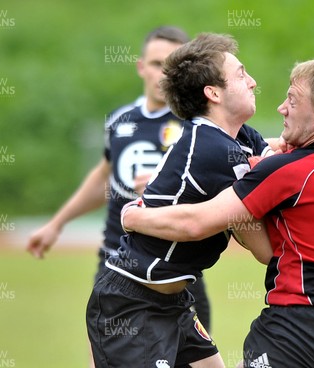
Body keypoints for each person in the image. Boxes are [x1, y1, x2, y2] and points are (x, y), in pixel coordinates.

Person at [121, 58, 314, 368]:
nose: (281, 108)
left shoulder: (292, 172)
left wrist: (133, 216)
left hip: (297, 331)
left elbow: (197, 223)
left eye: (293, 101)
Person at [86, 33, 274, 368]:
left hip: (173, 302)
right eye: (242, 74)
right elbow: (265, 252)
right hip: (132, 302)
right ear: (213, 93)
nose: (253, 81)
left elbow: (275, 156)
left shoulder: (240, 136)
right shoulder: (213, 149)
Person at [25, 26, 217, 330]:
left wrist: (163, 187)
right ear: (141, 67)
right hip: (118, 261)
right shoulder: (119, 120)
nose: (164, 74)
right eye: (156, 64)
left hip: (177, 270)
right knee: (104, 356)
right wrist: (57, 224)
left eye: (173, 67)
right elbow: (104, 177)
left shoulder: (198, 126)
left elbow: (219, 192)